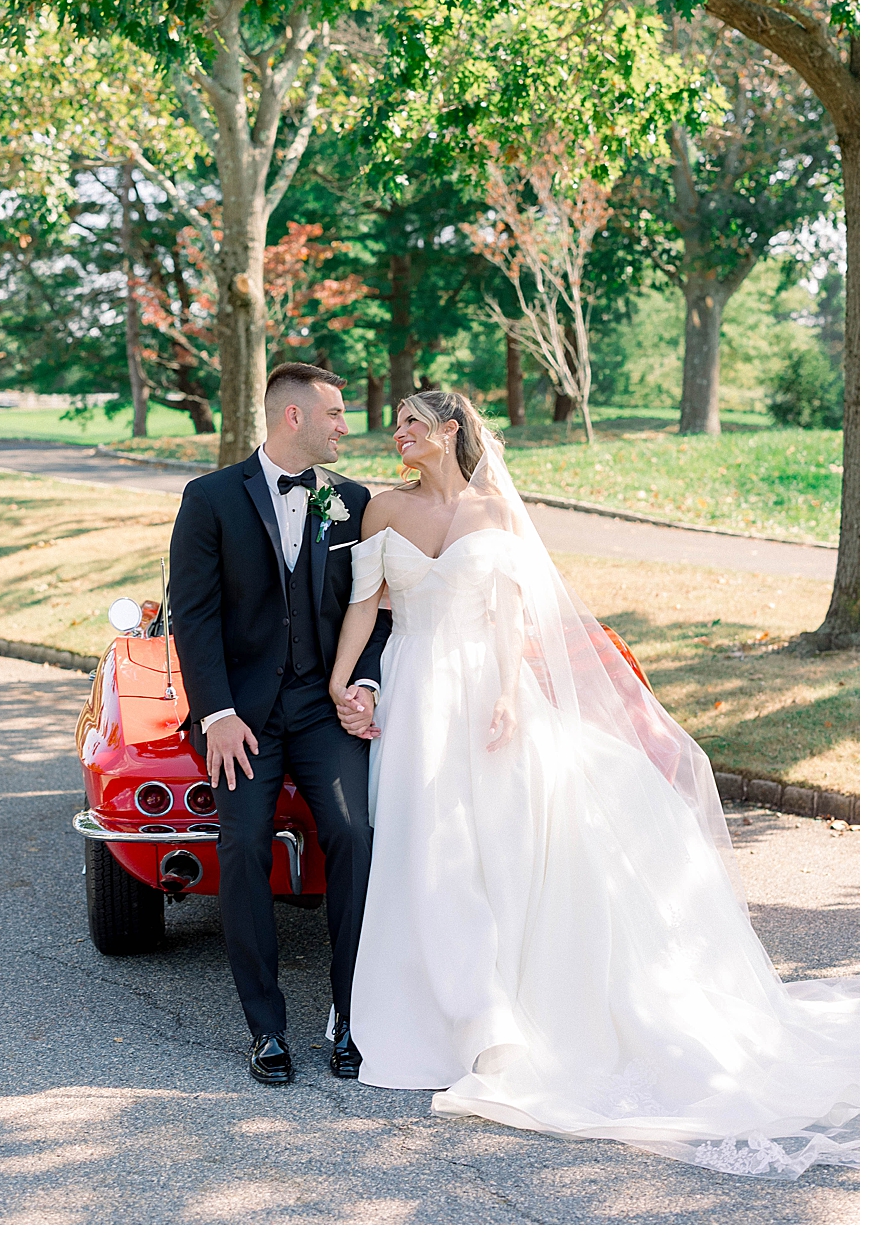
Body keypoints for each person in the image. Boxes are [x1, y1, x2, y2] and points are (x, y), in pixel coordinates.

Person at [328, 389, 859, 1180]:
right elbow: (364, 609)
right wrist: (346, 684)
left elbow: (510, 617)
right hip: (413, 689)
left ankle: (514, 1008)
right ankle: (450, 1015)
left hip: (483, 688)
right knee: (422, 847)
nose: (394, 432)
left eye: (410, 420)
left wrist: (509, 692)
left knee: (501, 842)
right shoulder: (380, 512)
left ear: (448, 431)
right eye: (395, 421)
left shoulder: (496, 514)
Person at [169, 362, 391, 1086]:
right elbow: (193, 618)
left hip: (324, 708)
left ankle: (352, 1015)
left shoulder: (354, 502)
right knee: (241, 847)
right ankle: (265, 1028)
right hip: (244, 716)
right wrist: (219, 716)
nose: (344, 427)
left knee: (355, 835)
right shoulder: (208, 500)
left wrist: (363, 684)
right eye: (334, 414)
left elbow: (378, 613)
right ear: (293, 418)